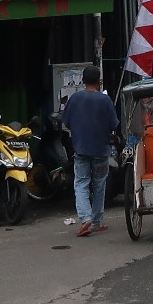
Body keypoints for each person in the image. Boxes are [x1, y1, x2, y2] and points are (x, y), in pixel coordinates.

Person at [60, 65, 118, 237]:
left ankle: (85, 218)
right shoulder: (105, 100)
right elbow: (114, 124)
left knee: (81, 184)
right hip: (101, 150)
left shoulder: (75, 99)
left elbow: (66, 123)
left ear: (83, 80)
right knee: (99, 185)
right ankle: (97, 222)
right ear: (99, 81)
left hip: (81, 150)